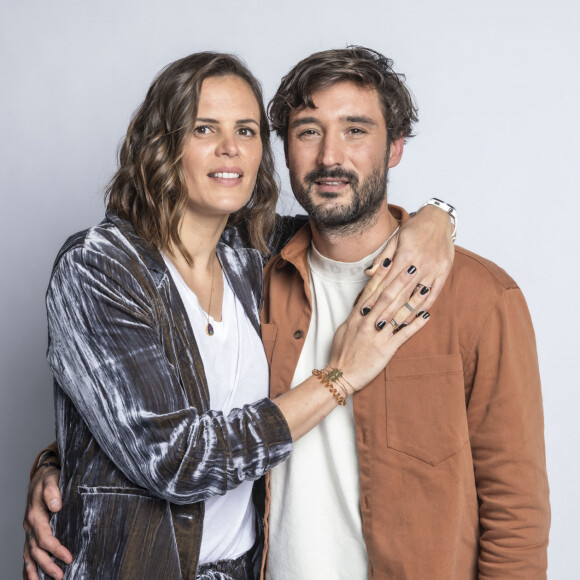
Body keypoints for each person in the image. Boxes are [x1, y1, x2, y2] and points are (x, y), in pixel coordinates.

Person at [22, 50, 455, 580]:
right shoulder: (99, 267)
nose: (230, 148)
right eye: (204, 128)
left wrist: (437, 219)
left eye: (247, 131)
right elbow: (172, 459)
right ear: (161, 144)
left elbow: (350, 216)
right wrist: (339, 377)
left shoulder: (256, 258)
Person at [258, 46, 550, 579]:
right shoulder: (246, 283)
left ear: (395, 148)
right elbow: (178, 418)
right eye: (308, 131)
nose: (329, 157)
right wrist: (58, 463)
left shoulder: (482, 298)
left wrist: (441, 214)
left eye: (355, 130)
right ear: (284, 147)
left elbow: (516, 511)